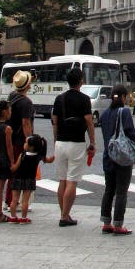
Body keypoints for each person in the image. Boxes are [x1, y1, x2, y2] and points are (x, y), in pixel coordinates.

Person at [51, 67, 96, 227]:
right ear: (81, 81)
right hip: (76, 143)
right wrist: (92, 142)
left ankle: (65, 214)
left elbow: (55, 122)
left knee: (62, 180)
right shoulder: (84, 99)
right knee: (72, 181)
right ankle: (64, 216)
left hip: (60, 143)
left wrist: (56, 141)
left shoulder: (59, 98)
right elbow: (89, 122)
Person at [99, 84, 135, 235]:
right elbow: (130, 133)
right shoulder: (125, 112)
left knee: (109, 189)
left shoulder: (105, 113)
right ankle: (118, 224)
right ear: (122, 97)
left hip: (108, 156)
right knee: (121, 190)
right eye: (126, 96)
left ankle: (106, 222)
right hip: (121, 156)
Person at [8, 134, 54, 224]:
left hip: (17, 178)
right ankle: (23, 218)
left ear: (31, 147)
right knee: (25, 201)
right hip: (29, 180)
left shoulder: (22, 155)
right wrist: (55, 155)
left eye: (26, 142)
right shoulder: (38, 156)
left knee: (14, 199)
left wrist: (10, 167)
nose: (24, 144)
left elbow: (15, 167)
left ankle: (13, 217)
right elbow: (49, 160)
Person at [5, 70, 34, 208]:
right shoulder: (26, 102)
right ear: (28, 85)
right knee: (20, 171)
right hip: (20, 141)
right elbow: (26, 123)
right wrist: (29, 140)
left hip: (10, 138)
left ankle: (9, 199)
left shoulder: (12, 96)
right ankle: (13, 201)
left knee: (12, 169)